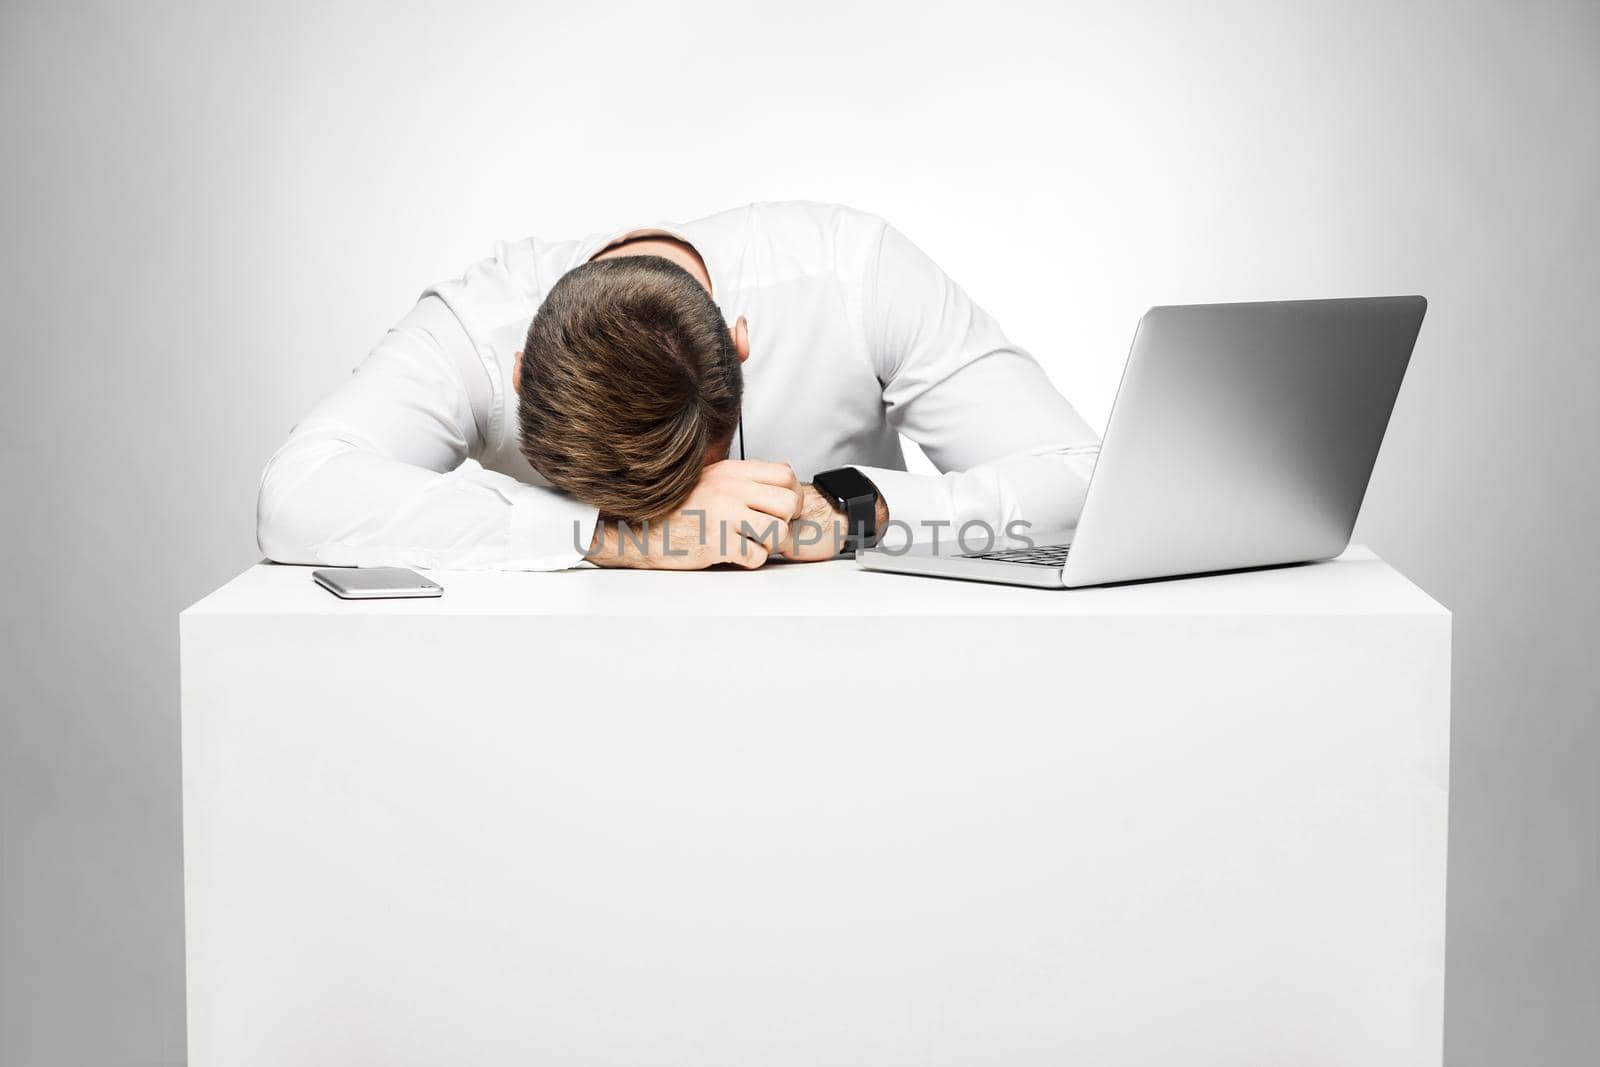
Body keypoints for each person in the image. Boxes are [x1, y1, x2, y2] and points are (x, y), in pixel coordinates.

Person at [257, 201, 1101, 571]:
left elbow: (1086, 482)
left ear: (743, 347)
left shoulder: (851, 272)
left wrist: (846, 515)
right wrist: (620, 536)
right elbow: (299, 494)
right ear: (520, 378)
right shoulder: (479, 329)